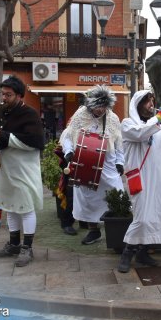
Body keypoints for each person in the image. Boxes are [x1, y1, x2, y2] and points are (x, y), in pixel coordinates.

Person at [117, 90, 161, 273]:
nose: (151, 103)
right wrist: (160, 116)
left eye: (152, 100)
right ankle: (127, 252)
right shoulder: (127, 124)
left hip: (158, 178)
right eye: (147, 101)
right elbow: (141, 134)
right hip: (139, 177)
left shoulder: (157, 126)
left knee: (157, 215)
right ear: (137, 104)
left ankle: (143, 252)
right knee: (142, 217)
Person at [0, 75, 44, 267]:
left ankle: (27, 248)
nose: (4, 98)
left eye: (9, 95)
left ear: (20, 96)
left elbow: (36, 142)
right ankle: (13, 244)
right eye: (3, 94)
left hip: (23, 169)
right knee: (9, 206)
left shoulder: (30, 114)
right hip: (5, 167)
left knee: (26, 208)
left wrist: (3, 135)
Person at [60, 85, 124, 243]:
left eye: (104, 106)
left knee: (117, 193)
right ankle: (93, 230)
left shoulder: (113, 118)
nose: (101, 110)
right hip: (85, 162)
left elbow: (119, 144)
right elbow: (67, 136)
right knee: (88, 198)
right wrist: (68, 151)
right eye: (98, 106)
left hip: (107, 162)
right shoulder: (80, 114)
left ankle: (118, 229)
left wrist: (120, 162)